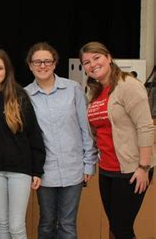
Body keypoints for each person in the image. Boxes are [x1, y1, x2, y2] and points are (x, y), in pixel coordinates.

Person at [79, 41, 155, 239]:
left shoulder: (127, 85)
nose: (92, 64)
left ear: (109, 57)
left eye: (97, 58)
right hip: (107, 169)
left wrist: (143, 167)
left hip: (131, 169)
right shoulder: (95, 92)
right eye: (86, 62)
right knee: (115, 226)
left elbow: (145, 127)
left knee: (122, 229)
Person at [24, 42, 97, 239]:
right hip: (44, 172)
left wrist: (89, 163)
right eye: (37, 61)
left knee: (67, 224)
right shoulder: (25, 96)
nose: (42, 65)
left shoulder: (72, 89)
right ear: (30, 65)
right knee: (47, 223)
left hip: (73, 169)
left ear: (55, 63)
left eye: (47, 61)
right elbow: (25, 138)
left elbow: (85, 128)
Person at [0, 49, 46, 239]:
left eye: (0, 68)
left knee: (16, 226)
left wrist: (37, 170)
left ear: (7, 71)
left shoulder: (20, 96)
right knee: (2, 224)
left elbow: (34, 134)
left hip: (20, 171)